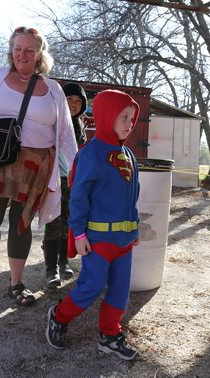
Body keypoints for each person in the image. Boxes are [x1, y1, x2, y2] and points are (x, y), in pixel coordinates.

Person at [0, 26, 78, 306]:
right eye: (18, 49)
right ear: (10, 51)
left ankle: (16, 282)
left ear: (39, 54)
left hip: (36, 165)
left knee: (21, 224)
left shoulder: (53, 89)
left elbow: (64, 132)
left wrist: (75, 166)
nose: (22, 55)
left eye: (29, 50)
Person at [46, 89, 141, 361]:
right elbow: (79, 197)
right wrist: (78, 233)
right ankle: (59, 316)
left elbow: (132, 196)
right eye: (123, 116)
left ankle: (109, 335)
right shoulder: (90, 154)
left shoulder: (129, 156)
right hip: (97, 240)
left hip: (124, 243)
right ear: (106, 115)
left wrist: (134, 228)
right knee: (91, 285)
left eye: (132, 118)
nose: (129, 123)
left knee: (121, 290)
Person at [42, 82, 87, 289]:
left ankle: (63, 261)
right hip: (52, 179)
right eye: (69, 99)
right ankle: (51, 269)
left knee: (68, 223)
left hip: (72, 182)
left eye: (78, 101)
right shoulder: (51, 122)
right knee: (53, 223)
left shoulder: (79, 127)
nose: (73, 104)